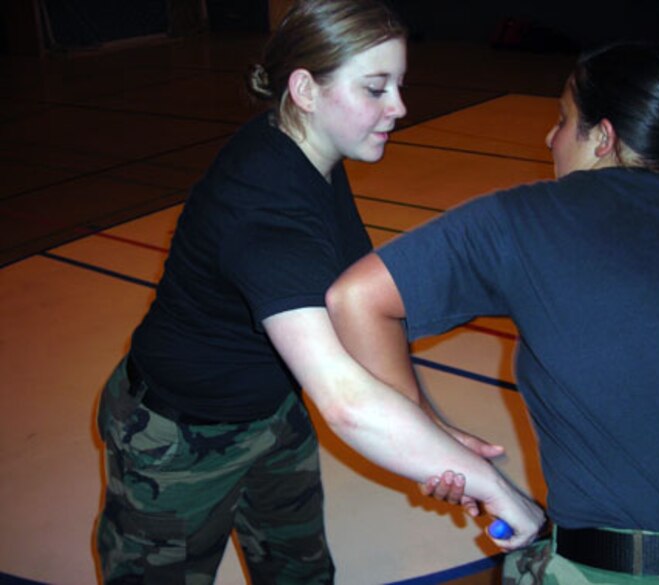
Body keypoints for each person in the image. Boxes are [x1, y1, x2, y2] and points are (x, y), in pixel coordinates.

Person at [95, 1, 544, 583]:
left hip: (275, 414)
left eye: (399, 85)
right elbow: (346, 402)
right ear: (305, 88)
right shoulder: (266, 212)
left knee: (300, 573)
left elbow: (362, 313)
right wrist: (503, 495)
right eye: (376, 88)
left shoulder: (309, 150)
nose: (400, 107)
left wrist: (430, 430)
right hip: (179, 437)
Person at [327, 42, 659, 583]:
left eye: (564, 121)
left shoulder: (530, 217)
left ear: (603, 137)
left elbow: (355, 298)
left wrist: (431, 439)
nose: (550, 138)